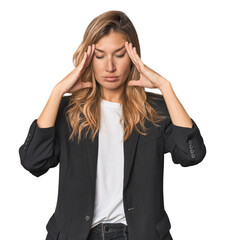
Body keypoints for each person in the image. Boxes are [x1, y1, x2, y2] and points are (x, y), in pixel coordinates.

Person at [18, 10, 207, 240]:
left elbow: (192, 154)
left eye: (119, 55)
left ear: (133, 56)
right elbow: (33, 161)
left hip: (138, 234)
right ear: (88, 58)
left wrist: (165, 86)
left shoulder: (155, 110)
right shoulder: (69, 110)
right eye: (99, 55)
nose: (109, 67)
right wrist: (57, 92)